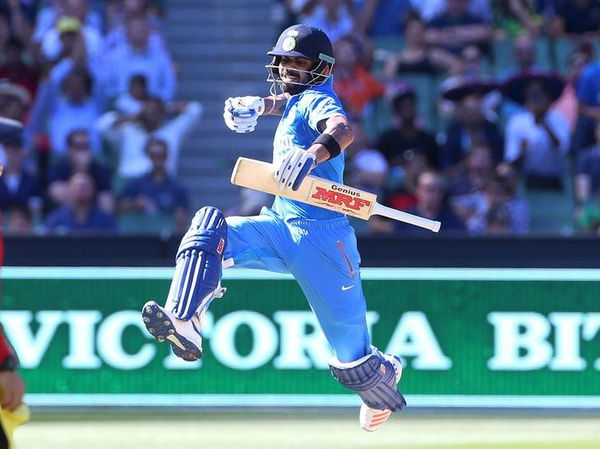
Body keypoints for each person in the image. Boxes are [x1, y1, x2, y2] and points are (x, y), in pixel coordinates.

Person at [141, 24, 406, 432]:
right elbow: (289, 103)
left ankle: (384, 371)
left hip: (324, 240)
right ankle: (185, 320)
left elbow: (342, 130)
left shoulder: (321, 98)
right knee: (209, 228)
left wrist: (312, 153)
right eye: (284, 62)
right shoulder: (301, 98)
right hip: (279, 224)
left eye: (300, 64)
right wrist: (260, 105)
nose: (288, 71)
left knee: (355, 368)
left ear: (321, 69)